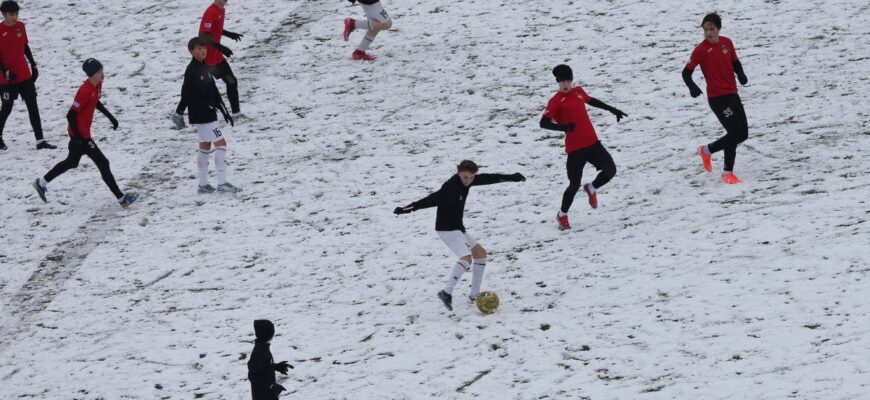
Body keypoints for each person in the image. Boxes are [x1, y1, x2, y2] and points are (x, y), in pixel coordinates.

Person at [393, 160, 525, 311]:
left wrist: (511, 177)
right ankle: (446, 292)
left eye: (471, 177)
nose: (468, 181)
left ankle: (474, 295)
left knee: (480, 254)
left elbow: (489, 178)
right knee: (467, 258)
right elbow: (432, 199)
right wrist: (408, 208)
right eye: (465, 177)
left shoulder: (470, 180)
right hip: (446, 229)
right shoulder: (450, 187)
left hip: (457, 228)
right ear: (458, 173)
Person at [32, 58, 137, 207]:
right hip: (80, 136)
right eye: (100, 71)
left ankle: (41, 182)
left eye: (102, 70)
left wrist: (111, 117)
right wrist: (79, 139)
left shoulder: (97, 85)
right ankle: (121, 199)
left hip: (81, 136)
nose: (103, 73)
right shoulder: (84, 91)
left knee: (72, 162)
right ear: (92, 74)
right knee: (103, 163)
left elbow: (96, 103)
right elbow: (70, 115)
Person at [539, 64, 627, 231]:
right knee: (573, 185)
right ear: (557, 82)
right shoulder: (555, 101)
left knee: (611, 170)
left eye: (568, 81)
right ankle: (562, 215)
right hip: (575, 150)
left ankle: (591, 188)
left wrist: (612, 109)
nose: (566, 84)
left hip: (593, 143)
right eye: (562, 82)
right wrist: (564, 128)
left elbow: (592, 101)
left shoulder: (578, 91)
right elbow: (543, 123)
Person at [682, 12, 749, 184]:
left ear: (718, 29)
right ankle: (727, 173)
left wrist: (740, 74)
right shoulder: (701, 49)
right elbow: (686, 73)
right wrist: (692, 87)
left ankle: (706, 151)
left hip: (732, 93)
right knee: (734, 132)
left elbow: (735, 61)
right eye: (705, 29)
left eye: (711, 29)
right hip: (717, 98)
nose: (708, 33)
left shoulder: (727, 43)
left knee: (743, 134)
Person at [171, 0, 244, 129]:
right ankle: (178, 115)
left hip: (217, 58)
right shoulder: (211, 11)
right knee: (193, 89)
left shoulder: (220, 9)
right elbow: (204, 35)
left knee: (232, 82)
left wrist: (229, 34)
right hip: (206, 60)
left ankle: (236, 114)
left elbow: (215, 29)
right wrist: (221, 47)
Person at [181, 37, 240, 194]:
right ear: (191, 51)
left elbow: (213, 91)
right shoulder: (192, 70)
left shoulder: (204, 67)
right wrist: (180, 112)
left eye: (204, 48)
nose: (203, 51)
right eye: (199, 49)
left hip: (207, 114)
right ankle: (222, 184)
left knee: (205, 146)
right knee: (221, 144)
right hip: (203, 115)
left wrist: (224, 111)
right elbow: (186, 94)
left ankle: (203, 185)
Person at [0, 0, 55, 150]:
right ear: (4, 15)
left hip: (24, 76)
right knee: (6, 108)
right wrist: (5, 72)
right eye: (11, 14)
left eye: (16, 14)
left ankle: (40, 141)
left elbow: (24, 45)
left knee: (33, 106)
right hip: (6, 80)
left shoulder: (20, 27)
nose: (15, 17)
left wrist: (33, 64)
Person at [248, 320, 292, 400]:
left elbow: (263, 367)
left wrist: (276, 367)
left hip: (268, 394)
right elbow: (253, 375)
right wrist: (270, 386)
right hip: (263, 396)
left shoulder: (263, 348)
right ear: (268, 335)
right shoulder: (260, 352)